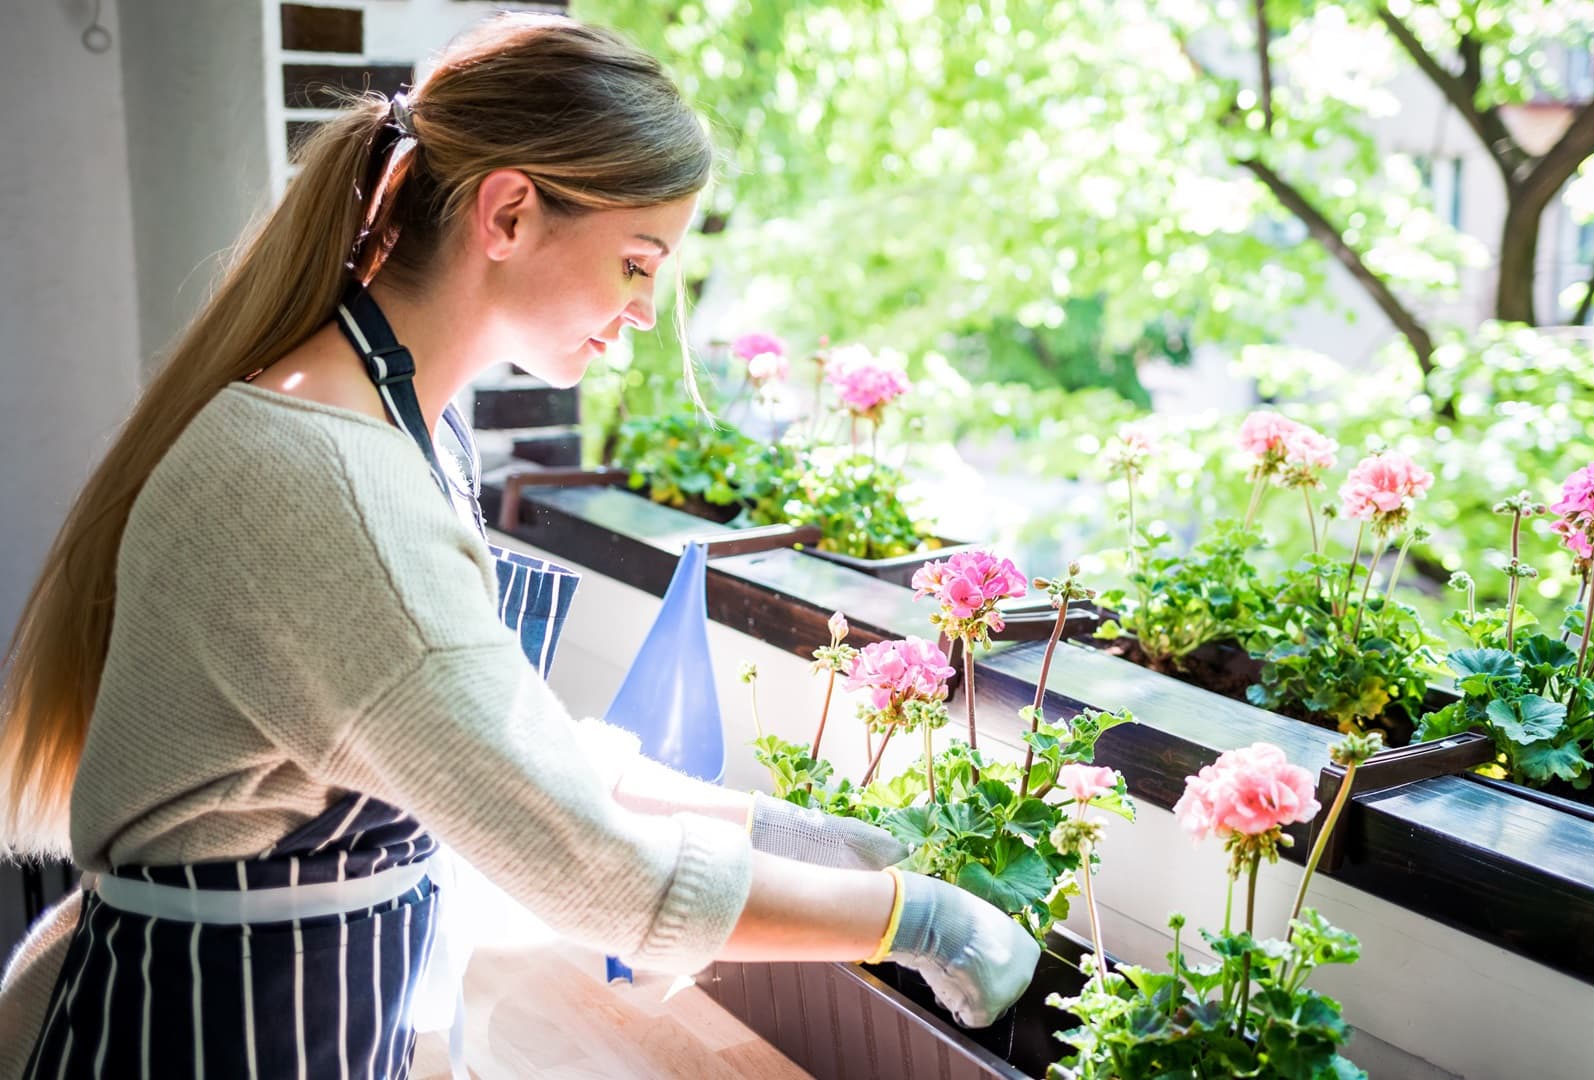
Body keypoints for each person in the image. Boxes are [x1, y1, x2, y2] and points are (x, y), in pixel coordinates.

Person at [0, 14, 1037, 1078]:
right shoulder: (333, 487)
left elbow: (497, 746)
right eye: (637, 263)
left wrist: (781, 829)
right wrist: (918, 920)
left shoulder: (399, 426)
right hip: (202, 1038)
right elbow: (607, 877)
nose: (642, 311)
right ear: (508, 211)